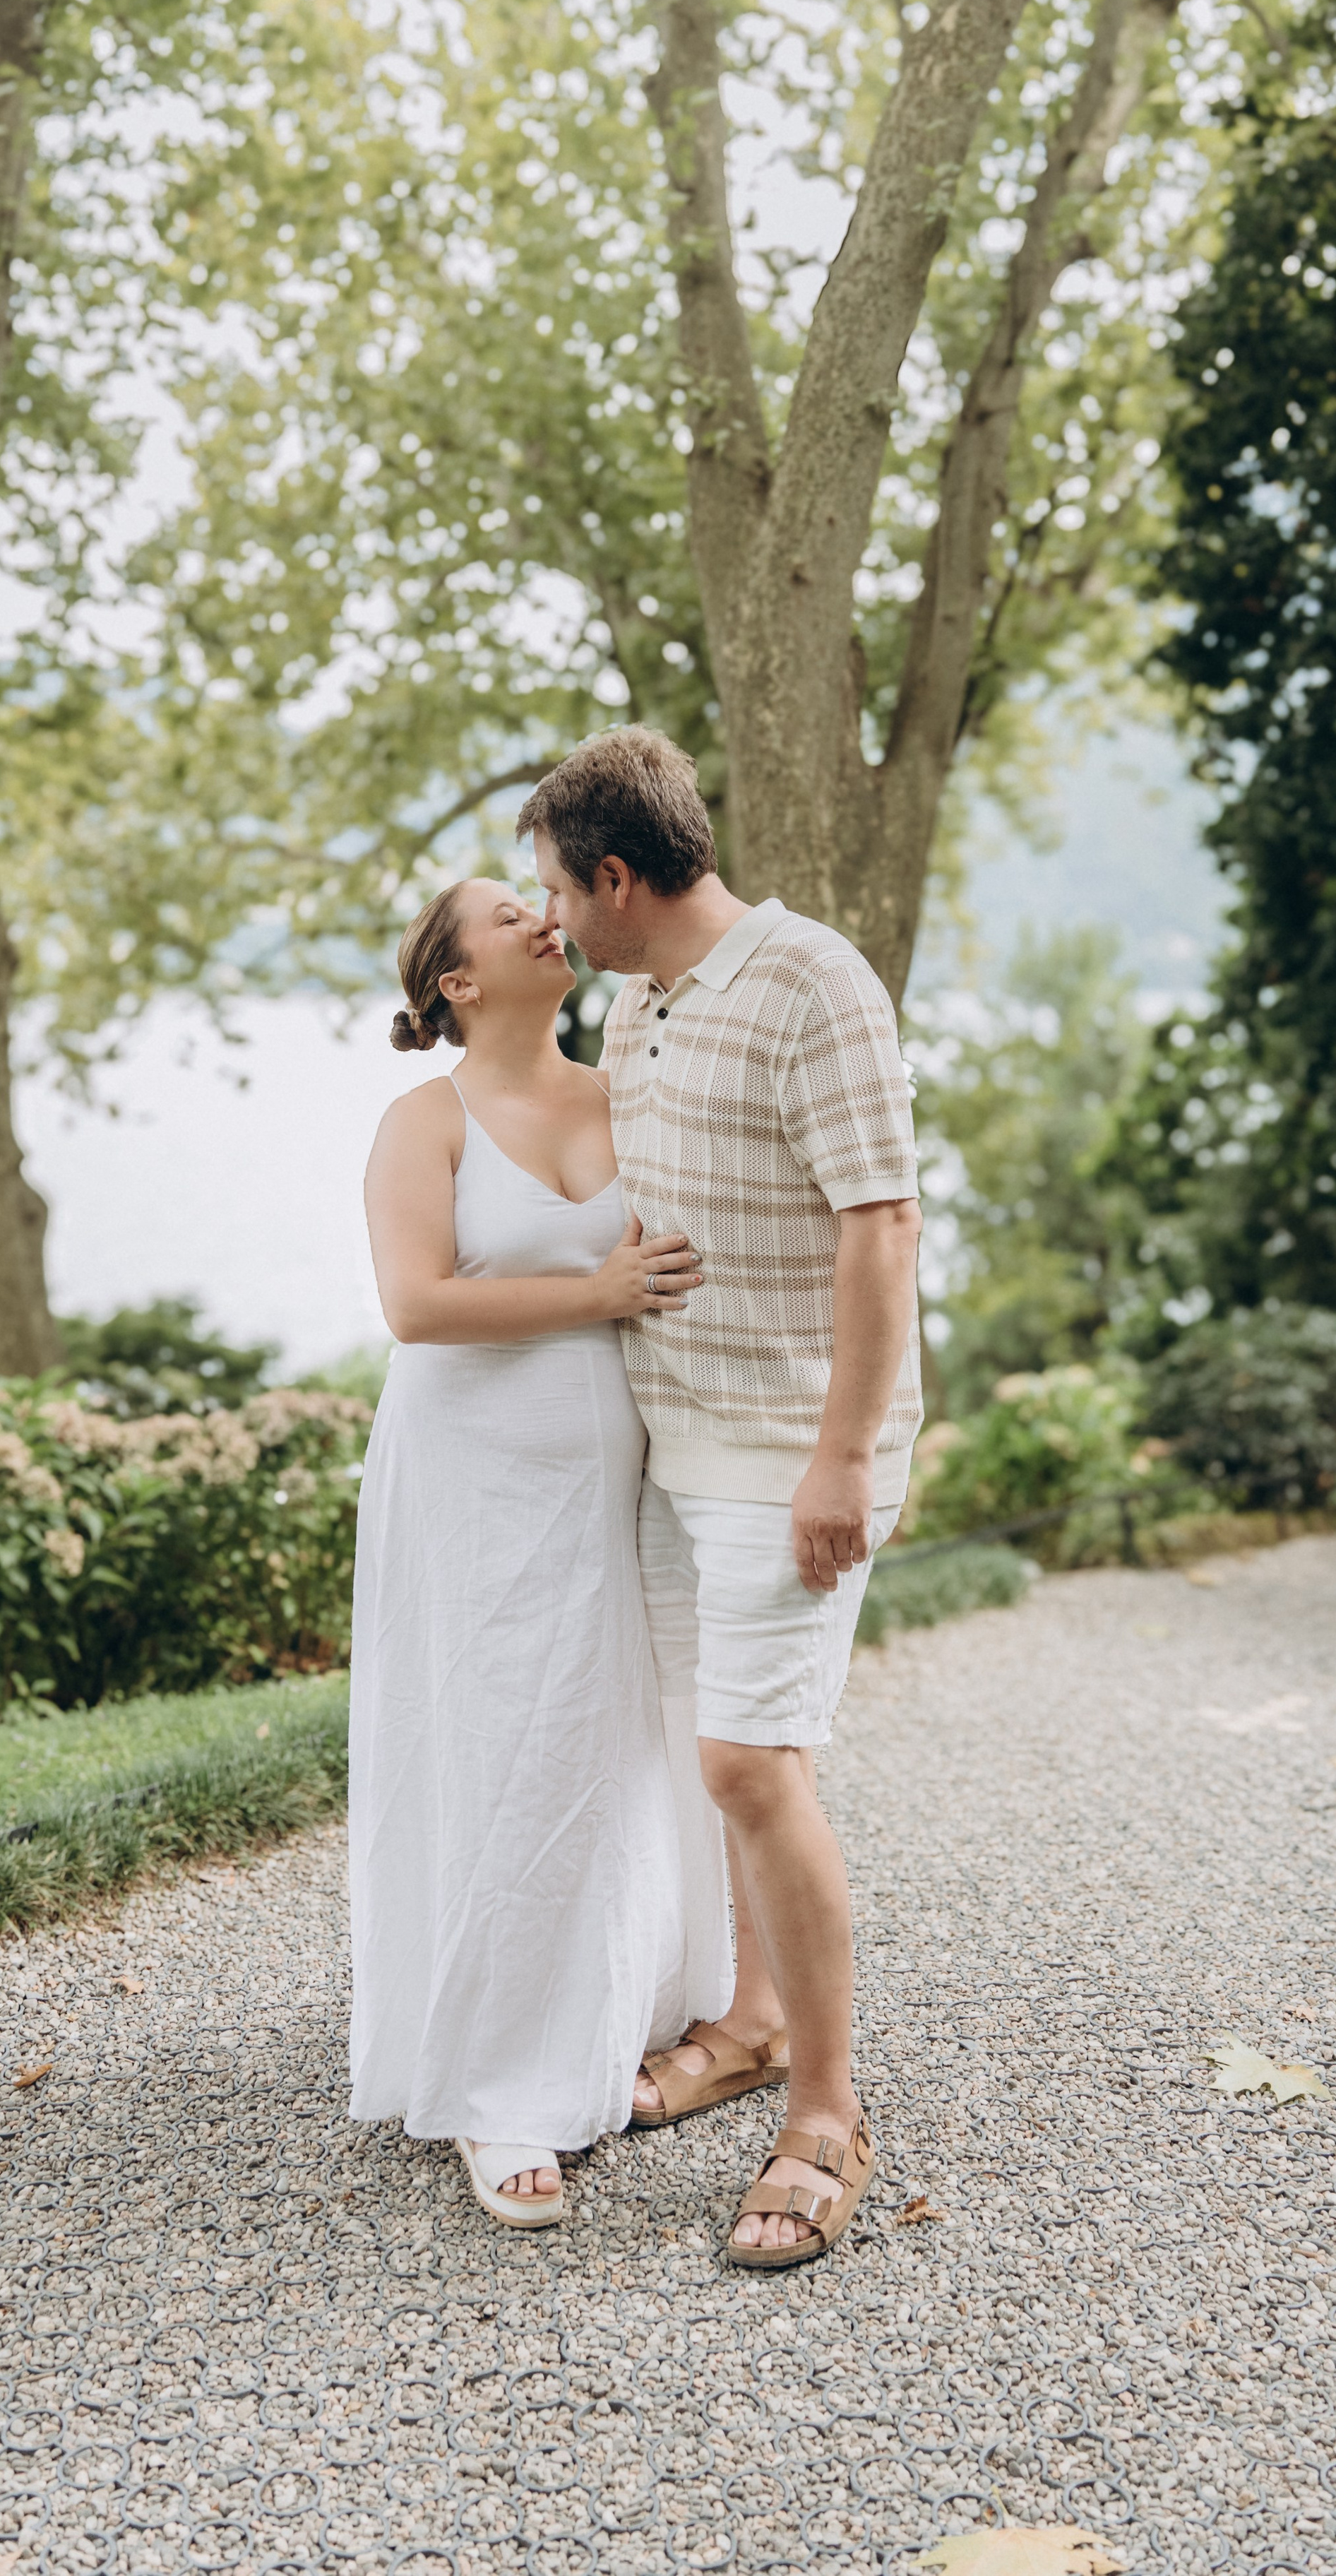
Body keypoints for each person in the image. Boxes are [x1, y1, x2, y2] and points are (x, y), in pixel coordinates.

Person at [518, 729, 924, 2269]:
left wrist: (841, 1455)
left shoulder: (812, 979)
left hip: (784, 1454)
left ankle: (824, 2111)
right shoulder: (635, 999)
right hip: (666, 1447)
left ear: (617, 877)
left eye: (558, 889)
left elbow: (878, 1229)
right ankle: (751, 2021)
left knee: (755, 1761)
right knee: (710, 1757)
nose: (550, 919)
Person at [348, 876, 732, 2228]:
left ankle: (616, 2006)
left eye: (542, 901)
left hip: (619, 1479)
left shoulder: (629, 1083)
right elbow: (417, 1305)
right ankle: (501, 2089)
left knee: (608, 1746)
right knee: (503, 1747)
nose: (542, 917)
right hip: (471, 1486)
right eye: (508, 913)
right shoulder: (424, 1122)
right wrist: (602, 1291)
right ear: (456, 981)